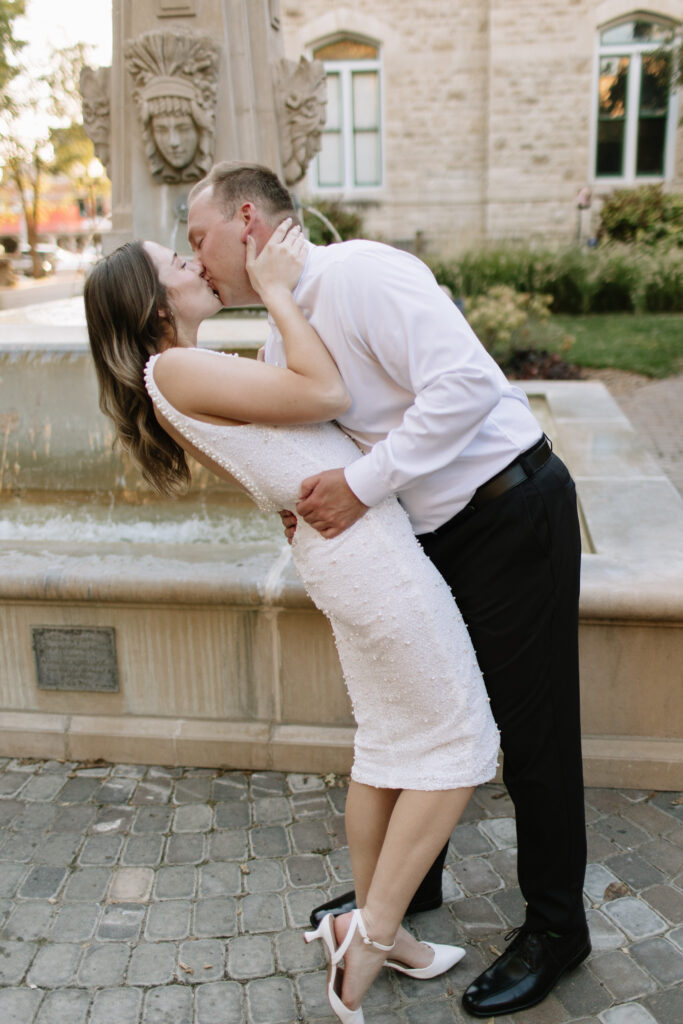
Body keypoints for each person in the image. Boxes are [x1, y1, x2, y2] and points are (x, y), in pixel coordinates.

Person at [186, 162, 590, 1018]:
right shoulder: (275, 335)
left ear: (248, 220)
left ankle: (558, 929)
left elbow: (468, 386)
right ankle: (402, 900)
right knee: (422, 714)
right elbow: (308, 440)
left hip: (510, 510)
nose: (196, 259)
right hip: (430, 535)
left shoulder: (359, 274)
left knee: (534, 735)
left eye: (199, 239)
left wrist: (363, 483)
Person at [84, 224, 501, 1023]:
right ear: (152, 302)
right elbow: (327, 396)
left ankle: (384, 933)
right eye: (175, 263)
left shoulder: (173, 375)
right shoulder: (176, 365)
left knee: (386, 743)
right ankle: (371, 939)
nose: (193, 261)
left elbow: (277, 460)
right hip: (373, 564)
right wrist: (275, 289)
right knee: (458, 747)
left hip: (342, 556)